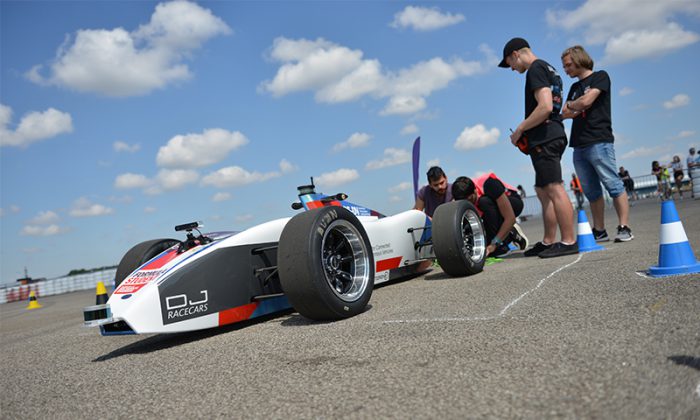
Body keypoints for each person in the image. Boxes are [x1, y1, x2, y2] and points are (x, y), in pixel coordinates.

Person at [499, 37, 578, 258]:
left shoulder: (535, 69)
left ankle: (569, 240)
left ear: (516, 54)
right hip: (549, 135)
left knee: (553, 187)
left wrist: (520, 129)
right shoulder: (548, 68)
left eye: (511, 64)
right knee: (543, 191)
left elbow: (544, 107)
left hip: (546, 137)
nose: (513, 69)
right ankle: (548, 241)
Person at [560, 45, 633, 242]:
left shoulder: (601, 77)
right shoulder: (574, 88)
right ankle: (599, 230)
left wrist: (576, 104)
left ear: (579, 60)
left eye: (568, 65)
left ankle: (624, 227)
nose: (565, 70)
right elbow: (566, 113)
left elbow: (583, 104)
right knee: (592, 191)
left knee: (613, 185)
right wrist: (577, 104)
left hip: (599, 140)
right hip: (578, 144)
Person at [452, 174, 528, 257]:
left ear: (475, 191)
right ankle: (510, 234)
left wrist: (494, 245)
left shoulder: (490, 184)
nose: (469, 204)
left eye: (470, 200)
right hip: (492, 211)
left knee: (484, 202)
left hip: (513, 203)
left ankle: (502, 246)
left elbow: (510, 218)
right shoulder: (460, 197)